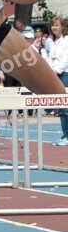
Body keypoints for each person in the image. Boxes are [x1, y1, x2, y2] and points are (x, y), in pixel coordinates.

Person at [48, 16, 68, 145]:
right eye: (53, 26)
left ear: (62, 26)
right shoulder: (53, 42)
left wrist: (57, 71)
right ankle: (65, 134)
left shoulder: (66, 40)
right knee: (60, 107)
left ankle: (67, 135)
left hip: (64, 74)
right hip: (54, 75)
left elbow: (66, 59)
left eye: (57, 25)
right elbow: (51, 58)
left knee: (65, 106)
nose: (54, 28)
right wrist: (50, 71)